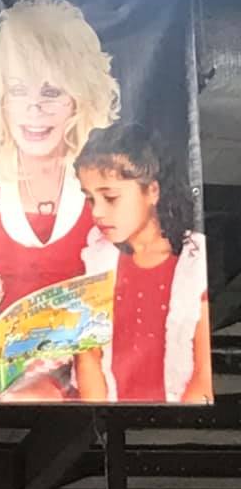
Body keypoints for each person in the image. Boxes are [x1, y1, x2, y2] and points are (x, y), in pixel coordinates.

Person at [0, 0, 121, 397]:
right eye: (17, 90)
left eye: (51, 92)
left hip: (95, 366)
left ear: (79, 96)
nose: (33, 109)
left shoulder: (109, 165)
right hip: (2, 362)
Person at [73, 124, 211, 402]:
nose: (97, 211)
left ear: (152, 191)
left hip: (178, 419)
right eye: (90, 199)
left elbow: (204, 375)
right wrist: (100, 417)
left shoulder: (194, 264)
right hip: (110, 417)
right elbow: (88, 359)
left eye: (110, 198)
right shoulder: (95, 261)